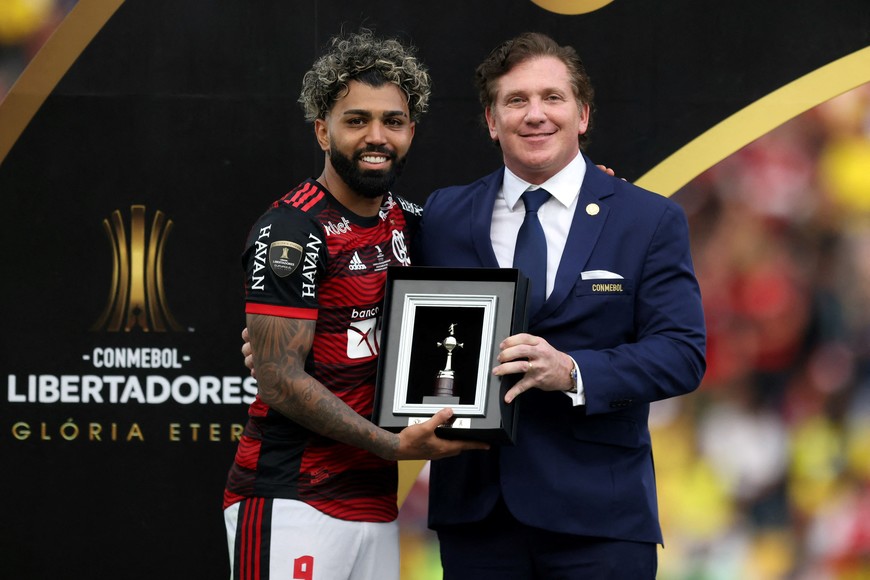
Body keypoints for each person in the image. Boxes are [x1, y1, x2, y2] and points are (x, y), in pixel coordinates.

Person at [417, 32, 706, 578]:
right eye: (516, 100)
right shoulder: (443, 215)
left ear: (583, 114)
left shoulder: (647, 219)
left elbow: (682, 354)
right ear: (490, 120)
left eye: (552, 98)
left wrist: (572, 370)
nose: (535, 115)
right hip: (477, 517)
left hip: (601, 521)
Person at [222, 30, 487, 580]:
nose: (376, 136)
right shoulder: (293, 229)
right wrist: (391, 445)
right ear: (323, 131)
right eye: (355, 120)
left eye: (392, 121)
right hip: (292, 497)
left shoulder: (411, 222)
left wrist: (593, 186)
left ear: (410, 131)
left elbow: (501, 226)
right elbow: (277, 378)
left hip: (373, 503)